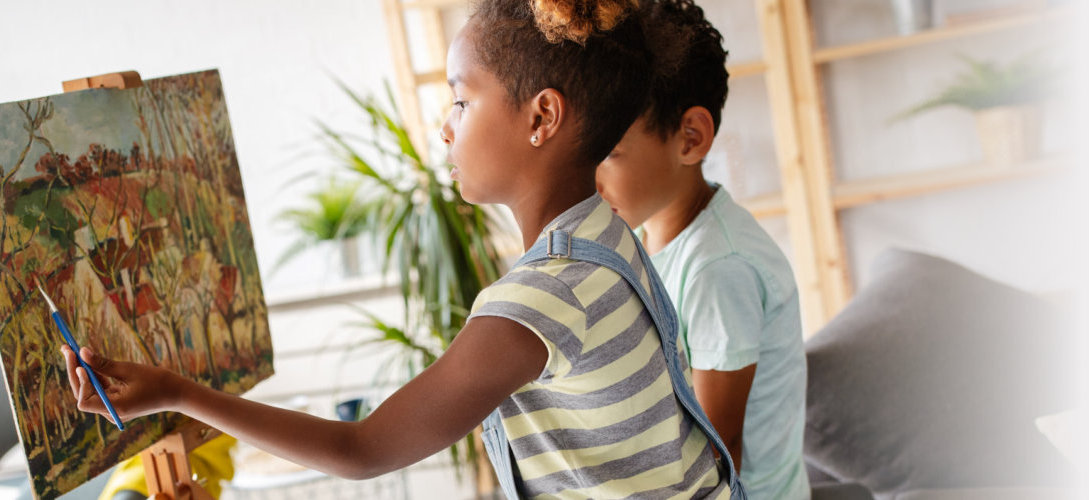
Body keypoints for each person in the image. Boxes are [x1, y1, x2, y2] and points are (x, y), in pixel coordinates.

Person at [59, 0, 740, 497]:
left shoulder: (543, 297)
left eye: (461, 101)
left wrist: (178, 392)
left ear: (542, 118)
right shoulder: (604, 235)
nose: (445, 129)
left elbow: (361, 450)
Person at [594, 1, 810, 498]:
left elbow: (716, 452)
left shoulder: (719, 268)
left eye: (608, 153)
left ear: (690, 138)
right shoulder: (652, 234)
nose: (590, 179)